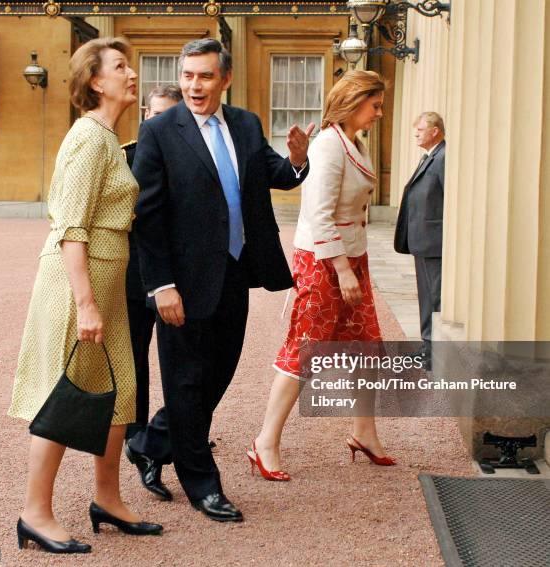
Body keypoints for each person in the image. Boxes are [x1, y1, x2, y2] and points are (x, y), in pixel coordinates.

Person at [130, 38, 313, 522]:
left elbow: (276, 173)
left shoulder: (246, 124)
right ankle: (203, 484)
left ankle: (151, 443)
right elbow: (146, 218)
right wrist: (160, 285)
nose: (194, 85)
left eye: (205, 76)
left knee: (218, 375)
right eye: (188, 75)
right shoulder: (160, 132)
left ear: (224, 79)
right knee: (187, 382)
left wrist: (298, 159)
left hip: (235, 272)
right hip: (182, 283)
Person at [8, 37, 162, 554]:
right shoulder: (88, 138)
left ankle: (108, 499)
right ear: (96, 81)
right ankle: (34, 512)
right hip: (78, 280)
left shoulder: (107, 138)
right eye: (121, 66)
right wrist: (85, 301)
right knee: (65, 391)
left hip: (106, 280)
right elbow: (71, 226)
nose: (131, 73)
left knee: (120, 395)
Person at [250, 70, 395, 482]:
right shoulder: (330, 145)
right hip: (324, 262)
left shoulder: (355, 143)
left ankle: (364, 432)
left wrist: (354, 266)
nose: (380, 113)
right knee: (304, 350)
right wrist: (344, 270)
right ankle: (265, 442)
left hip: (352, 259)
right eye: (375, 105)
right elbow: (318, 214)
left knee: (368, 348)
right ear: (351, 102)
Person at [121, 85, 182, 502]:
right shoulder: (123, 154)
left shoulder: (188, 155)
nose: (161, 125)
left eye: (170, 117)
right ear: (146, 114)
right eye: (156, 115)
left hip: (175, 275)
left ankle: (176, 430)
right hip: (131, 275)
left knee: (180, 358)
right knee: (134, 358)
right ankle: (137, 439)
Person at [394, 112, 446, 365]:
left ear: (435, 131)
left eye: (420, 129)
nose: (416, 133)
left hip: (435, 241)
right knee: (426, 296)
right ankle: (428, 346)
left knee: (435, 297)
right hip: (423, 240)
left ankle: (435, 351)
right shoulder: (431, 156)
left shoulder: (443, 156)